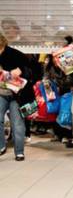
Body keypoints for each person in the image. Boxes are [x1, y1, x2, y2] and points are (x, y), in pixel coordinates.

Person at [0, 33, 32, 161]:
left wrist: (20, 71)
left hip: (17, 94)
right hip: (1, 92)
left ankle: (19, 151)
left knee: (17, 122)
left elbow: (31, 71)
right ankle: (1, 146)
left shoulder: (16, 54)